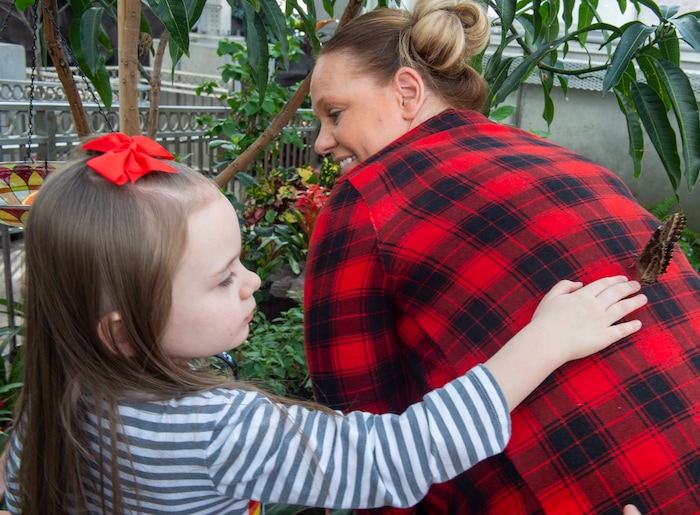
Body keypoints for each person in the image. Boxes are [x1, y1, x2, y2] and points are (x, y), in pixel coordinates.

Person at [2, 133, 645, 515]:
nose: (254, 282)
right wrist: (543, 342)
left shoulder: (54, 397)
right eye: (224, 278)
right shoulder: (218, 427)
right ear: (121, 331)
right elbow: (390, 457)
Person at [303, 0, 700, 513]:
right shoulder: (569, 161)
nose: (321, 142)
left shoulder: (368, 199)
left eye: (335, 114)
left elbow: (362, 436)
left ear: (407, 91)